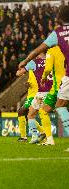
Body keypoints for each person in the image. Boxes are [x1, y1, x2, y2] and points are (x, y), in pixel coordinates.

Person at [18, 5, 69, 150]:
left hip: (61, 82)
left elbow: (39, 53)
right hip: (61, 81)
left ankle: (48, 138)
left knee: (57, 107)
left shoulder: (56, 37)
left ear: (59, 18)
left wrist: (25, 62)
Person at [16, 52, 50, 144]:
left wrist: (19, 69)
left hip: (36, 93)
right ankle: (42, 133)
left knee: (23, 112)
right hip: (48, 91)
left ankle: (27, 136)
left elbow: (18, 73)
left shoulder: (33, 63)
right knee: (31, 114)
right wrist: (28, 83)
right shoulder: (49, 62)